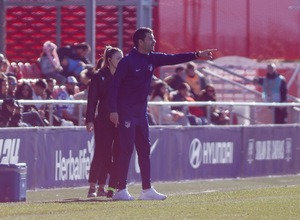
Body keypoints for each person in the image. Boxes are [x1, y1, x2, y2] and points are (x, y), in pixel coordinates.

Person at [108, 27, 216, 201]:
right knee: (126, 150)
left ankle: (146, 189)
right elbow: (114, 87)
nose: (154, 41)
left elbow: (174, 58)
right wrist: (114, 111)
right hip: (126, 112)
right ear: (140, 42)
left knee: (144, 150)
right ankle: (120, 190)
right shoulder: (127, 61)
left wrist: (198, 54)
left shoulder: (153, 58)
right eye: (151, 39)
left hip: (141, 113)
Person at [86, 46, 123, 198]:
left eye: (122, 58)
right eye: (118, 58)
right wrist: (89, 120)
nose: (121, 61)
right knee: (103, 153)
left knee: (119, 153)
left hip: (121, 121)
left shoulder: (124, 75)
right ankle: (112, 182)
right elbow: (92, 100)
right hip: (102, 120)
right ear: (109, 60)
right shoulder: (99, 76)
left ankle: (112, 185)